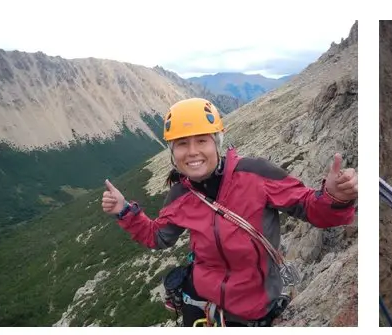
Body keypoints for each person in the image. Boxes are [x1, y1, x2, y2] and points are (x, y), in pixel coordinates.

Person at [100, 98, 357, 327]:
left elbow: (312, 209)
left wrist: (335, 198)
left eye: (202, 140)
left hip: (254, 311)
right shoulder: (180, 194)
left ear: (217, 143)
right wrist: (124, 210)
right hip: (200, 303)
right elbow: (158, 237)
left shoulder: (256, 174)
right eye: (182, 144)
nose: (192, 152)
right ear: (172, 152)